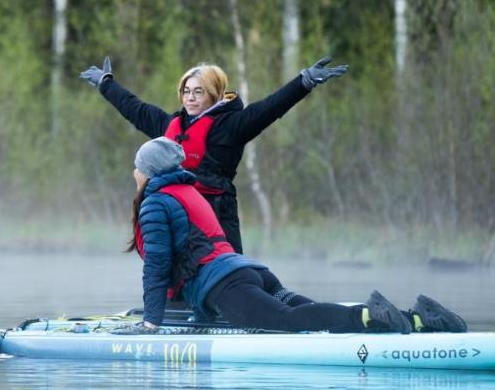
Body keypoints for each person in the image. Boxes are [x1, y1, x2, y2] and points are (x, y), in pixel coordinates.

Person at [113, 137, 466, 336]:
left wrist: (150, 323)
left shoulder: (156, 202)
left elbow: (158, 267)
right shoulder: (187, 191)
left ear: (148, 172)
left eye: (138, 167)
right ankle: (421, 319)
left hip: (226, 286)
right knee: (306, 312)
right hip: (251, 272)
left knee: (286, 323)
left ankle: (368, 318)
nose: (134, 173)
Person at [80, 55, 347, 254]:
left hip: (218, 217)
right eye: (186, 91)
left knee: (229, 280)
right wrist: (106, 84)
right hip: (180, 217)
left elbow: (271, 107)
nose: (190, 98)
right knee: (179, 282)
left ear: (216, 95)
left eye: (199, 92)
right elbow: (134, 108)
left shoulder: (232, 125)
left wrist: (305, 82)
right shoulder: (169, 126)